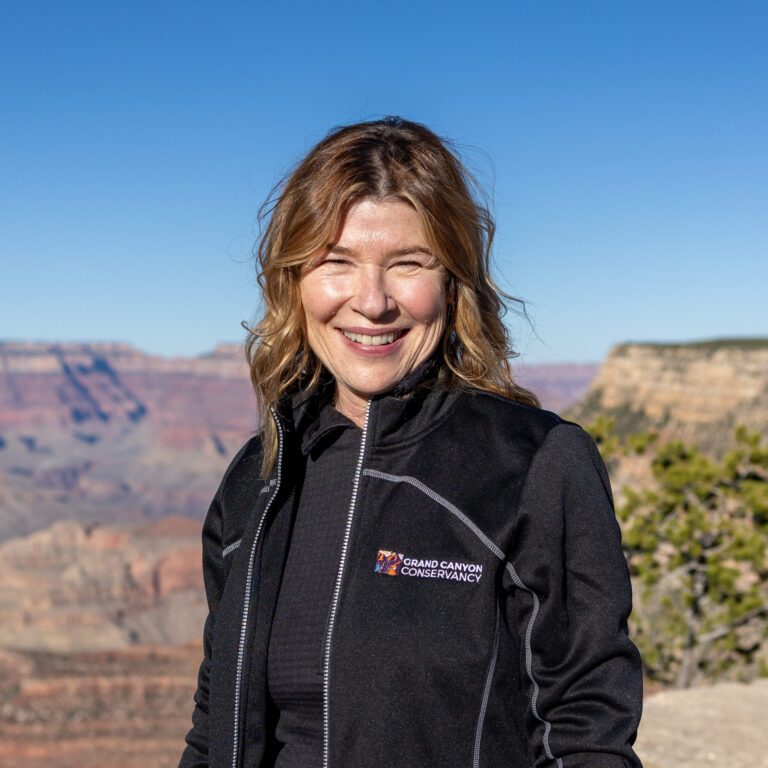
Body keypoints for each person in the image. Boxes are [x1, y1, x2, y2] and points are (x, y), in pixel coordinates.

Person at [179, 117, 643, 768]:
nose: (371, 302)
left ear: (452, 281)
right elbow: (212, 725)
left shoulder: (533, 465)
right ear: (294, 280)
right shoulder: (256, 478)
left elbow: (584, 731)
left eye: (408, 264)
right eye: (336, 262)